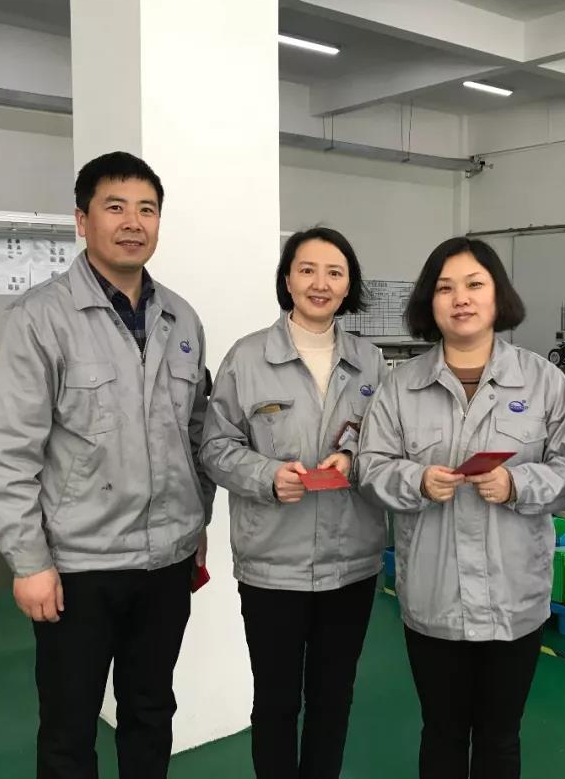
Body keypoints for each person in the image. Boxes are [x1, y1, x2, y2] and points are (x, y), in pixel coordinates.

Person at [0, 151, 215, 779]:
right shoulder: (39, 319)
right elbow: (7, 452)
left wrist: (197, 524)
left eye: (147, 209)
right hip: (78, 566)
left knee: (151, 711)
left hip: (166, 562)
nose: (133, 222)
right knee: (69, 726)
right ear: (82, 221)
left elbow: (197, 435)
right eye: (115, 207)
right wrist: (29, 563)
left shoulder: (182, 319)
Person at [356, 237, 565, 779]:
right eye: (445, 287)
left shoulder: (543, 381)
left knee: (500, 738)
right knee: (441, 733)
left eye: (474, 284)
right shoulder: (400, 386)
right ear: (429, 302)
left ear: (497, 295)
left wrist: (517, 484)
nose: (460, 298)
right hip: (434, 598)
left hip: (514, 597)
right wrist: (415, 480)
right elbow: (369, 469)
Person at [199, 227, 386, 779]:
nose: (320, 283)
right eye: (307, 270)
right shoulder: (248, 357)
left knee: (334, 699)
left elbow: (390, 445)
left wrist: (353, 458)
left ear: (348, 285)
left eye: (334, 273)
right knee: (276, 702)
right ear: (287, 279)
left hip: (352, 563)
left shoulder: (371, 362)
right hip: (273, 566)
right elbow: (214, 446)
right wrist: (266, 476)